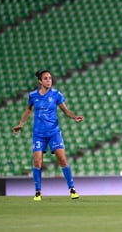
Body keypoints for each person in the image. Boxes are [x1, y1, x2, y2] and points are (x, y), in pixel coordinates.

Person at [13, 70, 84, 201]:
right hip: (38, 134)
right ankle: (38, 192)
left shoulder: (56, 94)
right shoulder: (33, 96)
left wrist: (74, 117)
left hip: (54, 133)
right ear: (40, 81)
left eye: (50, 78)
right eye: (46, 78)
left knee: (62, 159)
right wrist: (21, 124)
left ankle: (72, 189)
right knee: (37, 162)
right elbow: (28, 110)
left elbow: (65, 109)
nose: (49, 80)